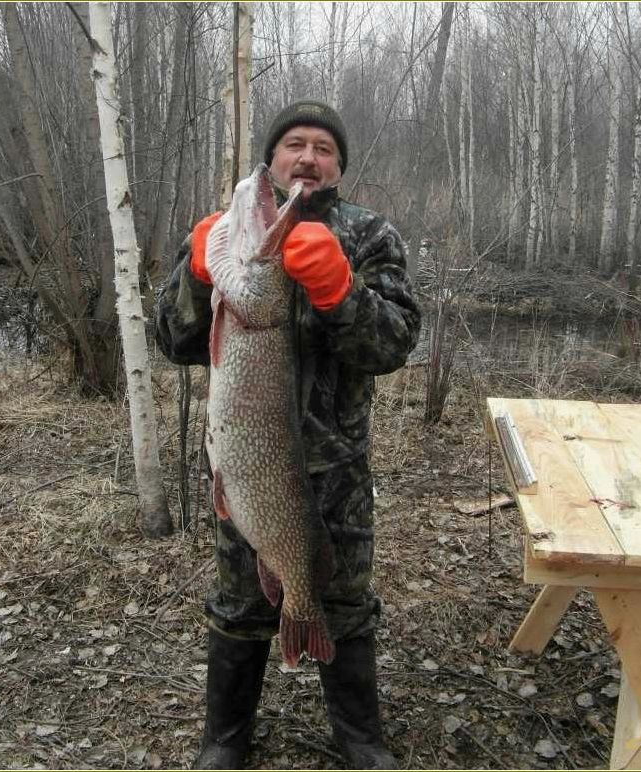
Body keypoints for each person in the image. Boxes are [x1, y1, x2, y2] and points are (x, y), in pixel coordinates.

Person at [155, 100, 422, 770]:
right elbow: (175, 340)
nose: (307, 157)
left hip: (338, 471)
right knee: (239, 602)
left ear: (338, 166)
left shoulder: (369, 235)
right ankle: (224, 738)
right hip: (248, 466)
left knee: (346, 601)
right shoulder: (233, 232)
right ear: (272, 158)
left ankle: (360, 737)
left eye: (323, 148)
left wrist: (342, 290)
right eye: (294, 144)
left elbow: (394, 345)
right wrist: (195, 275)